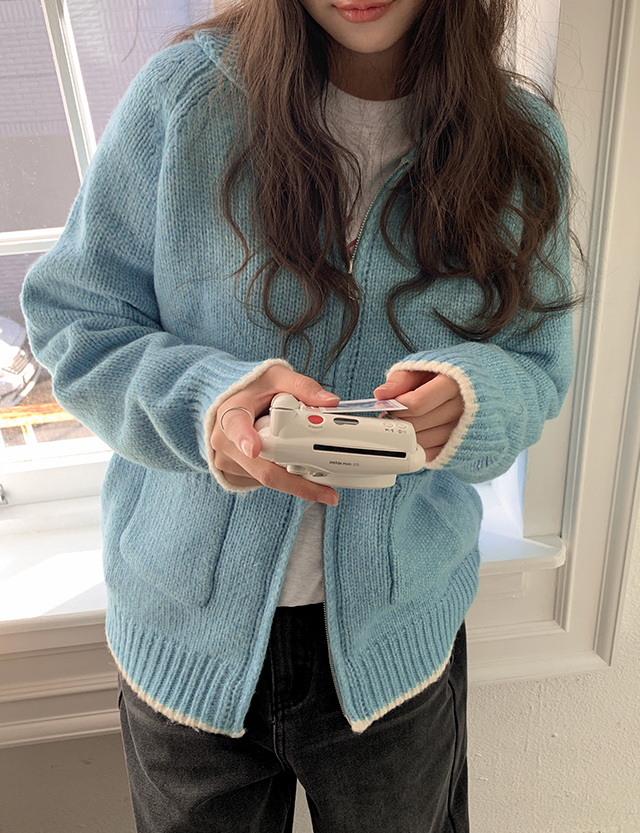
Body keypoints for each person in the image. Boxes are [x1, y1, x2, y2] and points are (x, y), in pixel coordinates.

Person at [21, 0, 576, 830]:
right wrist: (205, 404)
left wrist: (474, 397)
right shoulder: (183, 101)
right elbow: (76, 320)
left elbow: (538, 363)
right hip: (185, 646)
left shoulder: (520, 144)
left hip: (396, 651)